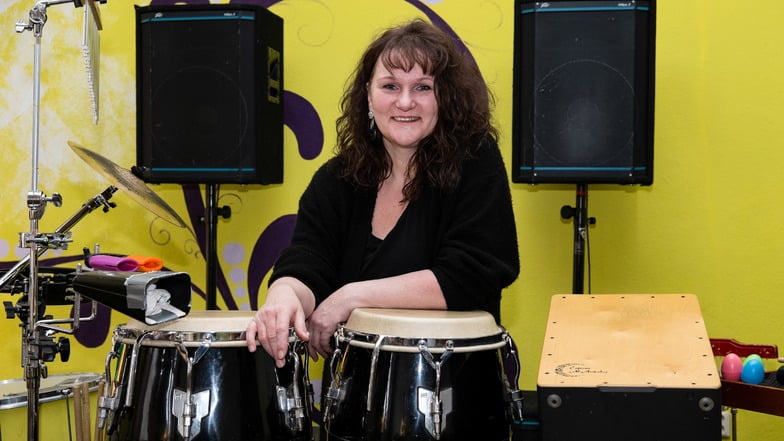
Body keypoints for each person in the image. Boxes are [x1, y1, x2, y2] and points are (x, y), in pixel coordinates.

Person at [245, 18, 519, 368]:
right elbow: (307, 261)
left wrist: (350, 297)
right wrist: (283, 295)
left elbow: (474, 273)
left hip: (457, 391)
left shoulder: (475, 160)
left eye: (423, 87)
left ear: (445, 98)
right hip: (351, 396)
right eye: (390, 86)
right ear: (368, 97)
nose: (405, 102)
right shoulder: (336, 178)